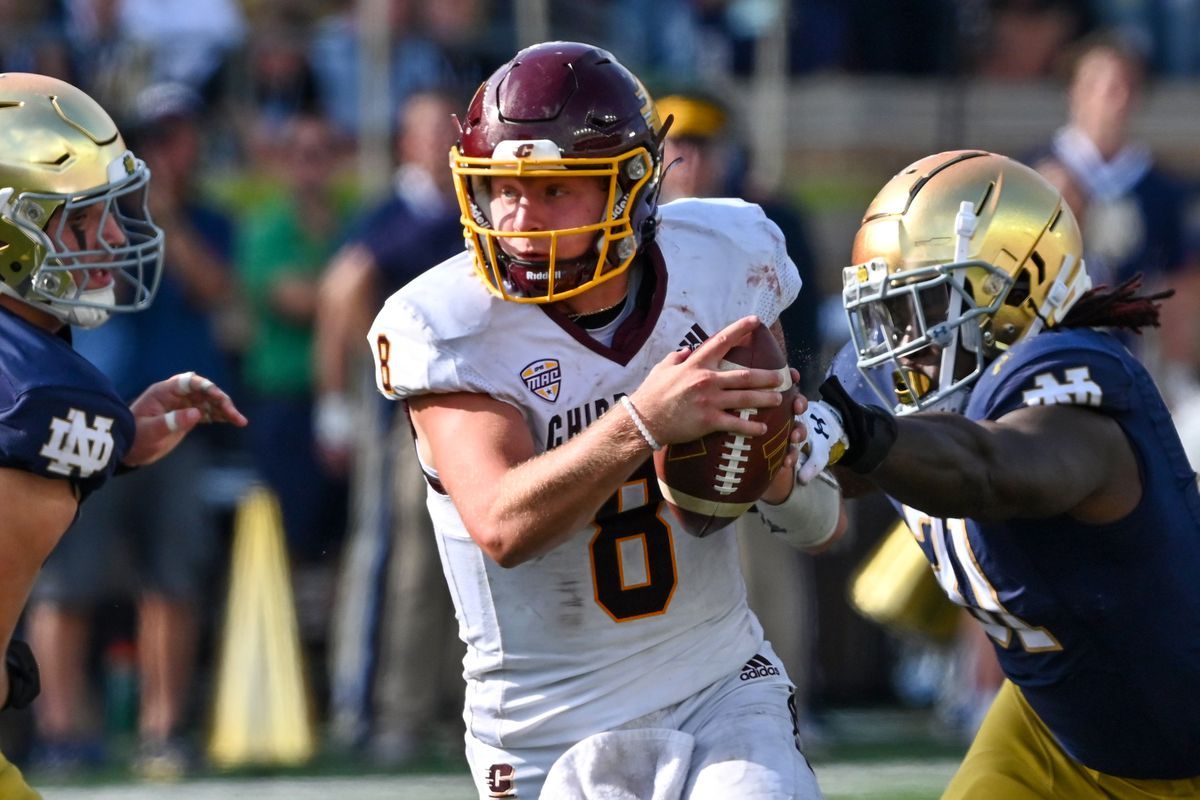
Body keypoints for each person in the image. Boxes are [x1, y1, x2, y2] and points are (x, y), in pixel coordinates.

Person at [367, 41, 845, 799]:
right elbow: (501, 524)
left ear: (631, 186)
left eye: (555, 190)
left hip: (717, 681)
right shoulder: (447, 323)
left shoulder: (723, 264)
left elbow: (817, 525)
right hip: (547, 729)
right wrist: (642, 423)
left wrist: (783, 474)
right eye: (503, 190)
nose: (521, 219)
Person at [802, 150, 1200, 798]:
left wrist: (856, 433)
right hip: (1055, 720)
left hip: (1179, 746)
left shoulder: (1075, 386)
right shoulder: (908, 371)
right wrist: (768, 435)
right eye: (888, 307)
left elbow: (992, 471)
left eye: (925, 302)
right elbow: (833, 472)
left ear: (1015, 290)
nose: (904, 336)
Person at [0, 73, 246, 798]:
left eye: (113, 212)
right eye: (80, 221)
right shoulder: (46, 393)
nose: (113, 239)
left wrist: (121, 440)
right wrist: (108, 435)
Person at [316, 88, 466, 764]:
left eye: (447, 129)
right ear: (405, 143)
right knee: (394, 563)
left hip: (469, 410)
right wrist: (340, 400)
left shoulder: (475, 207)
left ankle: (440, 703)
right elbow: (341, 293)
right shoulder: (393, 216)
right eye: (426, 131)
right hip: (404, 412)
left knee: (464, 562)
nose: (437, 143)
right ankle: (373, 706)